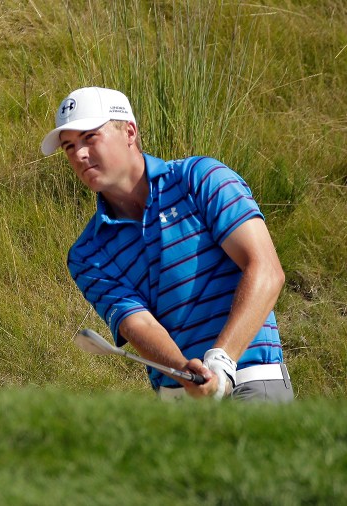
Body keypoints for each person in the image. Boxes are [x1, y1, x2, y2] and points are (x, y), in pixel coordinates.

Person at [41, 87, 293, 402]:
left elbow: (266, 270)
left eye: (90, 137)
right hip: (181, 400)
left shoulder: (201, 178)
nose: (78, 154)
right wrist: (184, 371)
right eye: (69, 146)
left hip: (251, 381)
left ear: (129, 131)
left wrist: (223, 360)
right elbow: (139, 323)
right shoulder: (88, 253)